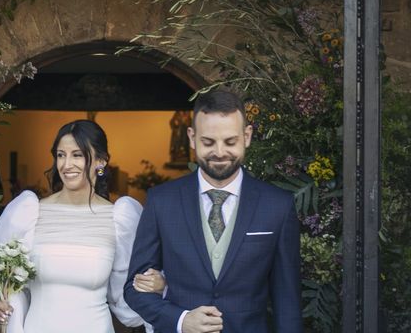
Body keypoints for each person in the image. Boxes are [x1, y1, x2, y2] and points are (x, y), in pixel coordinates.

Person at [124, 90, 302, 333]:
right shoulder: (161, 201)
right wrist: (180, 319)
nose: (219, 152)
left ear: (247, 136)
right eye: (208, 142)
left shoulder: (277, 205)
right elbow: (134, 288)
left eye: (230, 142)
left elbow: (287, 302)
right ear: (192, 137)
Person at [0, 119, 166, 333]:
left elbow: (127, 299)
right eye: (61, 155)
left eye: (77, 155)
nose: (66, 165)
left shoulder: (119, 219)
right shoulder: (28, 214)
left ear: (101, 162)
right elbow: (13, 288)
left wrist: (159, 288)